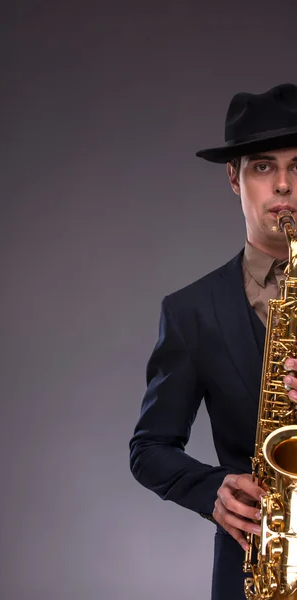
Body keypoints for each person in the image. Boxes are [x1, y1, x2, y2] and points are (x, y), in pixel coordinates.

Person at [129, 82, 297, 600]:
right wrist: (212, 491)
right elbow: (149, 448)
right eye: (263, 166)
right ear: (234, 177)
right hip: (257, 571)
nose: (284, 186)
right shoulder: (190, 312)